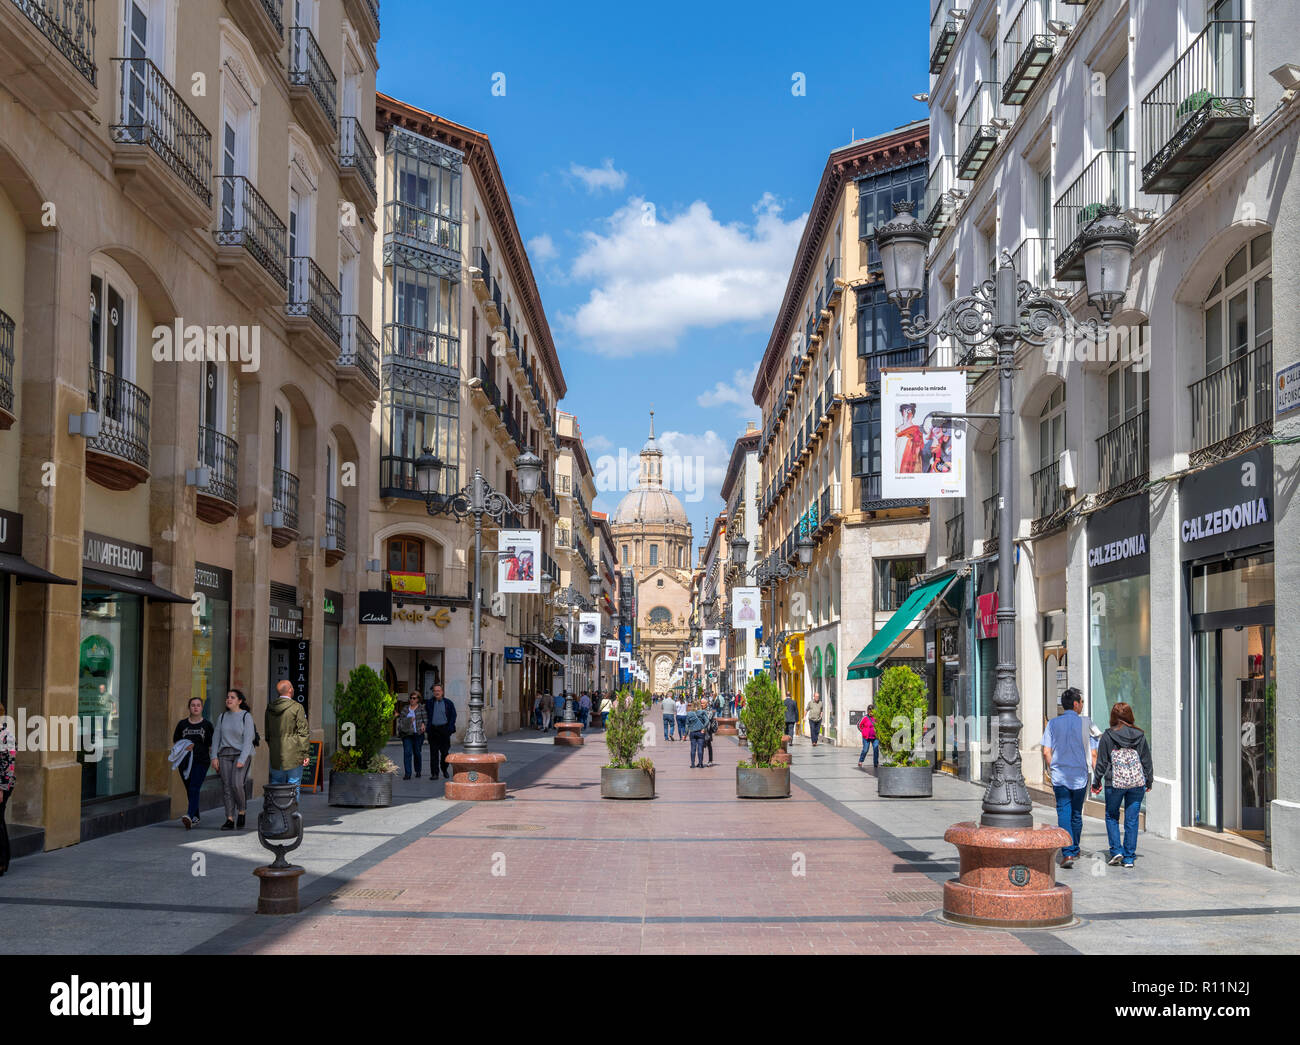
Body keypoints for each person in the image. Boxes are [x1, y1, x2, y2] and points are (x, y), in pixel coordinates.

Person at [1040, 687, 1098, 868]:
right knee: (1076, 813)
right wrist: (1098, 777)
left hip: (1060, 776)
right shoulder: (1087, 723)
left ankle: (1068, 852)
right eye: (1081, 702)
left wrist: (1052, 768)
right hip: (1080, 775)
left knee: (1063, 811)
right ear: (1075, 704)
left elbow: (1046, 751)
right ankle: (1075, 847)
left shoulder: (1053, 724)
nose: (1082, 705)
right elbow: (1094, 754)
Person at [1091, 702, 1153, 869]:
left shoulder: (1108, 735)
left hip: (1114, 783)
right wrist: (1149, 780)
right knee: (1132, 819)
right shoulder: (1139, 735)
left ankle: (1116, 850)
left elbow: (1102, 762)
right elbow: (1146, 760)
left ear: (1113, 717)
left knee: (1112, 815)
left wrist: (1096, 782)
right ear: (1130, 716)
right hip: (1136, 783)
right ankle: (1129, 858)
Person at [211, 689, 256, 830]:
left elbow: (249, 739)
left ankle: (241, 811)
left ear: (239, 701)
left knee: (237, 784)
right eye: (227, 697)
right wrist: (214, 757)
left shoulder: (246, 716)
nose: (229, 699)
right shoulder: (222, 717)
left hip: (241, 754)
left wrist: (242, 758)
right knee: (227, 786)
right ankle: (229, 818)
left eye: (232, 697)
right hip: (224, 754)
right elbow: (216, 738)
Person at [173, 697, 214, 829]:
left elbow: (211, 745)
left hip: (201, 761)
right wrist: (184, 746)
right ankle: (195, 817)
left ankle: (190, 815)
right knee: (189, 790)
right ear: (189, 707)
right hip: (184, 762)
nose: (195, 707)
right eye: (192, 705)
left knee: (194, 787)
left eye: (198, 705)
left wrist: (215, 759)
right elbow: (176, 742)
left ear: (202, 708)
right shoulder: (182, 724)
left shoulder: (207, 725)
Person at [265, 680, 310, 797]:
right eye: (292, 687)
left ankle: (276, 811)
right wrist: (305, 753)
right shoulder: (297, 707)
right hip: (294, 753)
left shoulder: (270, 707)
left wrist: (273, 746)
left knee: (276, 783)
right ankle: (292, 813)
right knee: (294, 785)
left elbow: (267, 733)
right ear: (290, 690)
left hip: (276, 752)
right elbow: (303, 732)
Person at [427, 684, 456, 779]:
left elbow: (453, 716)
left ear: (442, 692)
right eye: (435, 690)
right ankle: (434, 774)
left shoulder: (448, 703)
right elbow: (425, 715)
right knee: (433, 753)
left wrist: (450, 728)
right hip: (433, 731)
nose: (437, 692)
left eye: (438, 690)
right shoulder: (429, 703)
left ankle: (444, 769)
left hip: (444, 730)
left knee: (444, 753)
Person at [396, 692, 426, 779]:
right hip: (407, 734)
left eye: (414, 698)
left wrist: (424, 724)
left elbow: (425, 719)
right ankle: (407, 773)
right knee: (407, 753)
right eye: (411, 698)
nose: (412, 700)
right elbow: (401, 720)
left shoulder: (421, 708)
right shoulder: (405, 709)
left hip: (418, 734)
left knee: (417, 753)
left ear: (418, 699)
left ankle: (418, 770)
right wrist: (409, 719)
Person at [0, 700, 14, 875]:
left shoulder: (6, 735)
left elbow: (9, 765)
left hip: (3, 785)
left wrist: (1, 789)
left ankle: (2, 862)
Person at [895, 403, 924, 474]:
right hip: (897, 457)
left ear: (913, 414)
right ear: (902, 412)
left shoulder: (916, 429)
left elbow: (920, 446)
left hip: (907, 458)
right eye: (905, 410)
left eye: (909, 411)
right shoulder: (897, 430)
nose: (907, 413)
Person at [686, 700, 709, 769]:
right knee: (700, 748)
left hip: (692, 732)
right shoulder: (702, 712)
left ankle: (693, 764)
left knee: (693, 748)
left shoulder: (689, 713)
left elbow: (687, 725)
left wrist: (685, 734)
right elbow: (707, 721)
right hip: (700, 732)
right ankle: (701, 764)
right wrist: (704, 728)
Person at [857, 705, 878, 769]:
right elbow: (859, 725)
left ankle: (875, 763)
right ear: (867, 711)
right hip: (866, 737)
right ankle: (861, 761)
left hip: (875, 737)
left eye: (872, 710)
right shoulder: (865, 717)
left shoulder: (876, 717)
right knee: (865, 750)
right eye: (869, 710)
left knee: (876, 749)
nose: (870, 712)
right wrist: (863, 732)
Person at [701, 699, 717, 766]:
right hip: (701, 730)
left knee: (709, 745)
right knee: (701, 745)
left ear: (706, 703)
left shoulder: (709, 710)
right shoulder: (700, 710)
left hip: (708, 730)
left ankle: (710, 760)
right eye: (701, 703)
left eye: (702, 703)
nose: (701, 705)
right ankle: (700, 761)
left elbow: (708, 719)